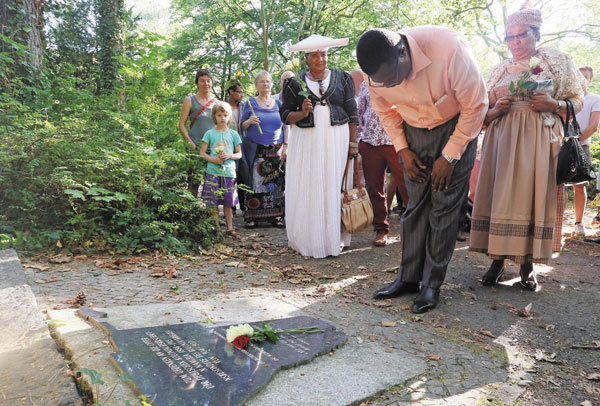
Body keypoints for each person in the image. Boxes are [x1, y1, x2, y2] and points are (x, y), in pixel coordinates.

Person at [356, 27, 487, 313]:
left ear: (402, 52)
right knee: (415, 206)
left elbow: (477, 105)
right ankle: (408, 278)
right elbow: (385, 111)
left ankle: (431, 285)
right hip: (411, 131)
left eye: (393, 78)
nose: (391, 86)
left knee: (443, 206)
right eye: (383, 83)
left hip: (456, 127)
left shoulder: (449, 48)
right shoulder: (374, 71)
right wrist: (402, 148)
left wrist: (450, 156)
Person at [470, 5, 584, 291]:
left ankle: (527, 264)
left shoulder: (556, 61)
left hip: (539, 140)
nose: (515, 42)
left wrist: (553, 105)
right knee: (501, 196)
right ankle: (496, 260)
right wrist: (495, 110)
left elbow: (577, 100)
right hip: (501, 141)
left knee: (532, 197)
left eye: (521, 35)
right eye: (510, 37)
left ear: (536, 34)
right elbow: (479, 113)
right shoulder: (497, 70)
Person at [280, 34, 358, 258]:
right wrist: (302, 113)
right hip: (307, 143)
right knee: (310, 183)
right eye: (315, 55)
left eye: (323, 55)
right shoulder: (294, 84)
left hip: (336, 140)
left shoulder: (342, 78)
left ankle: (334, 238)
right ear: (306, 58)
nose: (320, 59)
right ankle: (308, 238)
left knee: (333, 183)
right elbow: (285, 116)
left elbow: (352, 112)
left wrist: (354, 143)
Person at [357, 80, 409, 246]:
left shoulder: (400, 80)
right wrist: (359, 140)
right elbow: (360, 113)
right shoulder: (366, 83)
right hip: (370, 142)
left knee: (406, 185)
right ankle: (381, 229)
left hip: (396, 141)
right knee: (374, 187)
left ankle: (413, 228)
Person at [239, 71, 286, 228]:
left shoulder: (279, 104)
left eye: (268, 81)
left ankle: (277, 216)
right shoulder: (250, 103)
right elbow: (241, 126)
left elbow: (287, 127)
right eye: (262, 82)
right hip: (256, 149)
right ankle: (252, 216)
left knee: (276, 184)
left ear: (272, 84)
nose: (265, 84)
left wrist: (285, 145)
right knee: (255, 183)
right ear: (256, 85)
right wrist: (249, 121)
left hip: (276, 150)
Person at [199, 101, 243, 238]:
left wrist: (229, 156)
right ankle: (216, 228)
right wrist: (215, 160)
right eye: (219, 115)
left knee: (228, 202)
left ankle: (230, 228)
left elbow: (239, 154)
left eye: (225, 115)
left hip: (228, 172)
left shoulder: (234, 134)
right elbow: (203, 153)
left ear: (229, 117)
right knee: (212, 202)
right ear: (214, 116)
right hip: (212, 171)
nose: (222, 118)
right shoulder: (210, 133)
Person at [178, 68, 217, 196]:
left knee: (212, 182)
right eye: (202, 81)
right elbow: (181, 124)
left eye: (208, 80)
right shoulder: (190, 100)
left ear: (212, 82)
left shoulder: (217, 103)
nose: (206, 83)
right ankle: (192, 211)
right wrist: (190, 142)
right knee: (194, 182)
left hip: (213, 149)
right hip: (195, 147)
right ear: (197, 83)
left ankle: (211, 213)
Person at [571, 66, 600, 236]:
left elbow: (592, 127)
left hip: (581, 146)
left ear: (590, 80)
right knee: (555, 185)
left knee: (578, 186)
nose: (582, 79)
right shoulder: (565, 98)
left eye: (586, 76)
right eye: (579, 75)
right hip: (559, 144)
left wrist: (574, 142)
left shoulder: (595, 99)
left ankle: (578, 222)